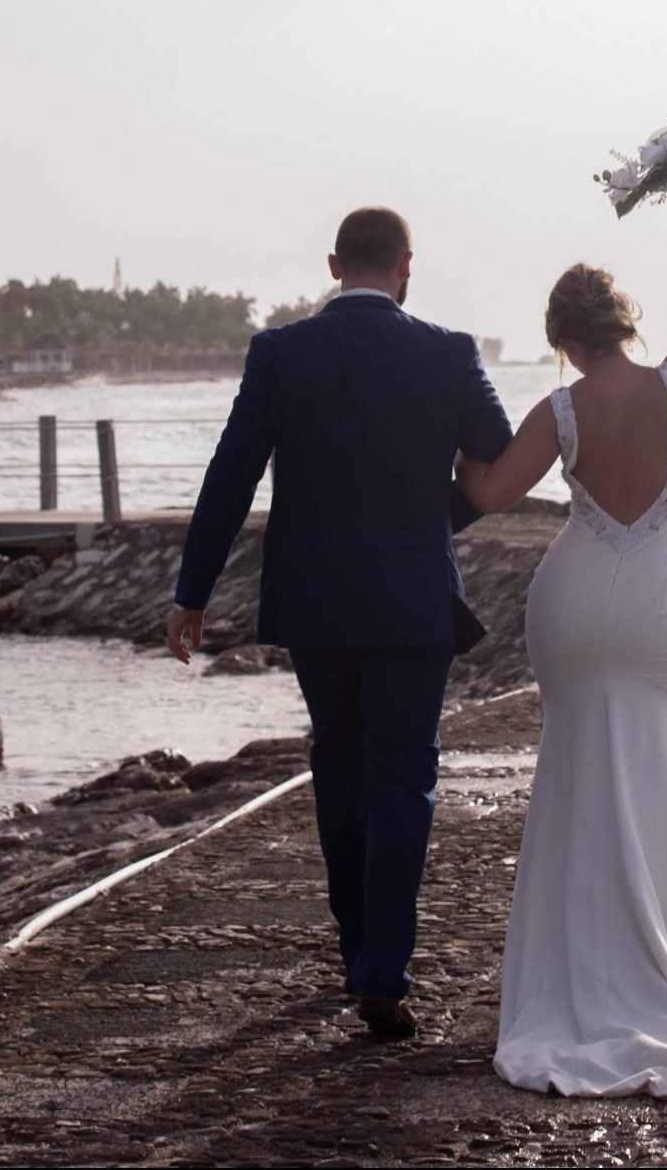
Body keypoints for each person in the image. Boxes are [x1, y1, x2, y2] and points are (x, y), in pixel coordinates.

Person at [168, 206, 511, 1039]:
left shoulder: (279, 353)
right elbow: (498, 458)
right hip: (413, 601)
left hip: (317, 603)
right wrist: (434, 523)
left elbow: (231, 477)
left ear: (333, 265)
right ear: (405, 267)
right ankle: (383, 969)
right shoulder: (450, 351)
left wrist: (193, 591)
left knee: (339, 769)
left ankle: (354, 946)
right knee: (406, 779)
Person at [453, 152, 667, 1096]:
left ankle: (571, 986)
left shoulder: (561, 407)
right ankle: (652, 976)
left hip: (577, 608)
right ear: (624, 324)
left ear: (563, 338)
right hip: (659, 609)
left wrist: (443, 444)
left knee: (577, 783)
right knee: (650, 773)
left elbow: (493, 493)